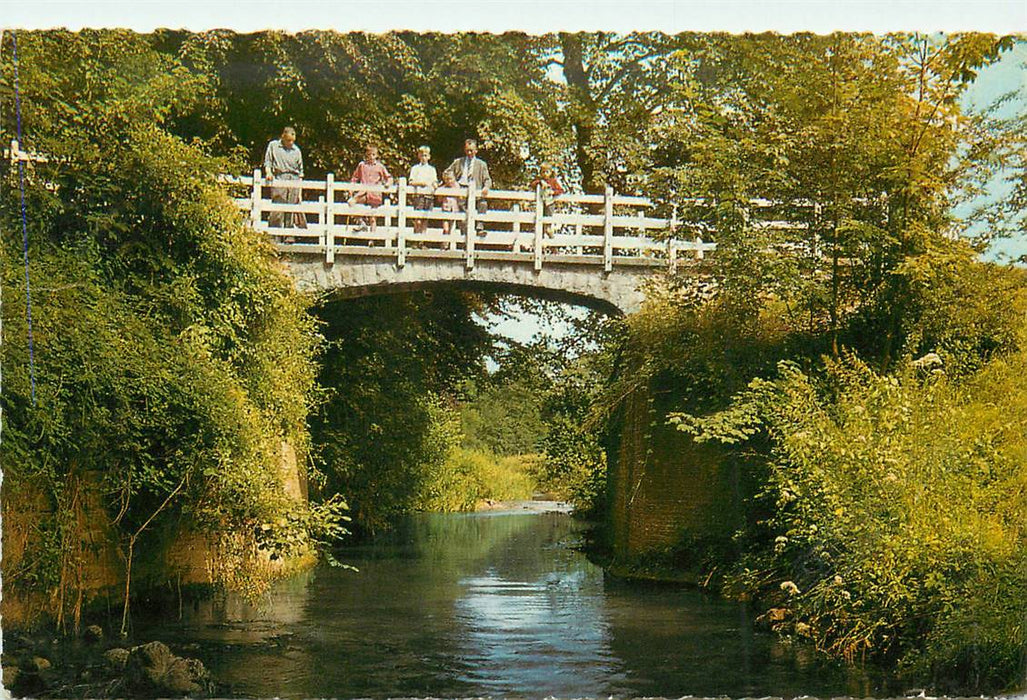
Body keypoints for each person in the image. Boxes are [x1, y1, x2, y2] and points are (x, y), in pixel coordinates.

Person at [263, 126, 307, 232]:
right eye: (288, 140)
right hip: (280, 177)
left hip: (294, 179)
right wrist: (268, 172)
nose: (290, 143)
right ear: (283, 136)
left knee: (292, 209)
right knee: (278, 208)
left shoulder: (296, 150)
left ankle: (289, 236)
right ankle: (274, 236)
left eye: (292, 141)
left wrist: (299, 192)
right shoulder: (273, 146)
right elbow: (268, 161)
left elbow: (300, 172)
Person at [443, 139, 492, 234]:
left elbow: (487, 179)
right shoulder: (458, 162)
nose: (469, 153)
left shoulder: (481, 164)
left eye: (471, 150)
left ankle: (479, 228)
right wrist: (453, 183)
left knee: (483, 204)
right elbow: (447, 172)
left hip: (476, 190)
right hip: (461, 190)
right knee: (463, 212)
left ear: (476, 150)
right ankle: (464, 235)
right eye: (467, 150)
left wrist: (486, 187)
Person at [349, 145, 393, 232]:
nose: (371, 157)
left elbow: (389, 177)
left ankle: (372, 239)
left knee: (372, 217)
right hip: (363, 193)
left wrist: (388, 183)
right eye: (369, 154)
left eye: (373, 155)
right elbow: (355, 177)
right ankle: (361, 223)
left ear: (376, 155)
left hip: (375, 194)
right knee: (351, 202)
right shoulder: (362, 165)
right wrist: (351, 188)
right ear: (366, 155)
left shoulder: (380, 166)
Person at [408, 145, 438, 234]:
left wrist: (435, 185)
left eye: (425, 155)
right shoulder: (415, 168)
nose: (424, 158)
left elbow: (434, 181)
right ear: (419, 156)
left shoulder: (432, 169)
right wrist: (421, 183)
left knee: (426, 218)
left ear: (429, 157)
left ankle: (423, 240)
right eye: (422, 155)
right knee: (418, 219)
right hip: (419, 195)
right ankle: (416, 239)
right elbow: (411, 182)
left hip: (429, 196)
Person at [529, 163, 565, 237]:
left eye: (547, 172)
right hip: (541, 203)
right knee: (540, 223)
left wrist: (553, 192)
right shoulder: (539, 181)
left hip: (549, 203)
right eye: (543, 172)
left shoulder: (553, 181)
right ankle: (542, 239)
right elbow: (532, 185)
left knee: (548, 222)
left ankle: (552, 239)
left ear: (550, 172)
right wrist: (540, 182)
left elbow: (561, 190)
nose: (545, 174)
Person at [438, 170, 460, 237]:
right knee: (446, 228)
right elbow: (439, 199)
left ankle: (449, 245)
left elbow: (460, 198)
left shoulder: (457, 187)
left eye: (451, 179)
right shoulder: (443, 188)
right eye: (447, 179)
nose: (449, 181)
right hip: (445, 209)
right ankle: (444, 245)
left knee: (452, 228)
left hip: (454, 209)